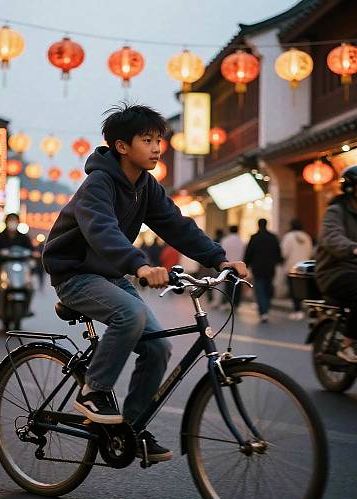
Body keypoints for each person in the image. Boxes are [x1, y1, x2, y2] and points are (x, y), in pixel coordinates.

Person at [42, 104, 247, 462]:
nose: (156, 148)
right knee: (131, 315)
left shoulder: (145, 186)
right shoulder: (99, 184)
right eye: (147, 140)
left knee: (157, 347)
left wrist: (219, 259)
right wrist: (140, 265)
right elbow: (101, 231)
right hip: (74, 274)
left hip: (109, 274)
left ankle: (131, 429)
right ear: (122, 146)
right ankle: (94, 391)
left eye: (159, 140)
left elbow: (176, 226)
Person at [315, 164, 357, 363]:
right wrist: (355, 249)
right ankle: (348, 343)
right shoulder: (336, 211)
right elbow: (332, 237)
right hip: (334, 273)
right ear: (351, 187)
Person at [244, 218, 282, 323]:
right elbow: (278, 253)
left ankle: (263, 312)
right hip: (270, 268)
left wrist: (245, 264)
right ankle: (267, 308)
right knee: (268, 288)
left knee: (260, 290)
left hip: (258, 268)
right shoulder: (273, 237)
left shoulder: (254, 238)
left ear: (258, 225)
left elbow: (249, 253)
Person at [281, 219, 313, 320]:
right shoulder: (307, 237)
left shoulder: (288, 237)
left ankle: (297, 310)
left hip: (292, 268)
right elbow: (310, 252)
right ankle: (304, 310)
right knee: (303, 290)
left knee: (293, 290)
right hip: (305, 268)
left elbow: (284, 252)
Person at [220, 226, 245, 308]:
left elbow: (221, 252)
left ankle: (228, 301)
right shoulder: (241, 241)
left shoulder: (225, 240)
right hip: (239, 266)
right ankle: (236, 303)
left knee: (228, 284)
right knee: (237, 284)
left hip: (228, 265)